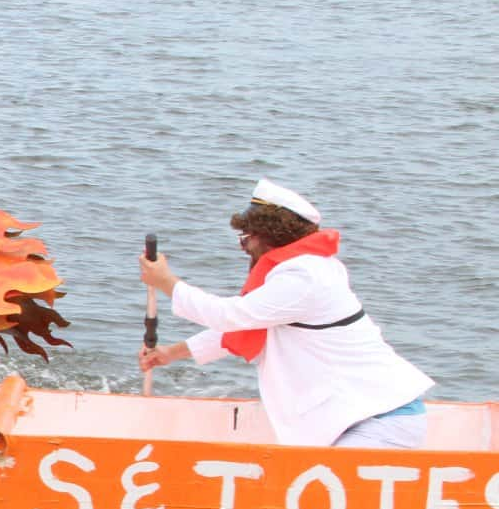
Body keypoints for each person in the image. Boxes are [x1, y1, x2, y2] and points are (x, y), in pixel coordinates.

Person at [138, 179, 434, 448]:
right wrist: (170, 354)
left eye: (247, 237)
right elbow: (243, 329)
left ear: (268, 233)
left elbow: (230, 316)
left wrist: (166, 281)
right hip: (364, 419)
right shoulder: (304, 271)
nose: (245, 247)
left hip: (378, 421)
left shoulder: (304, 276)